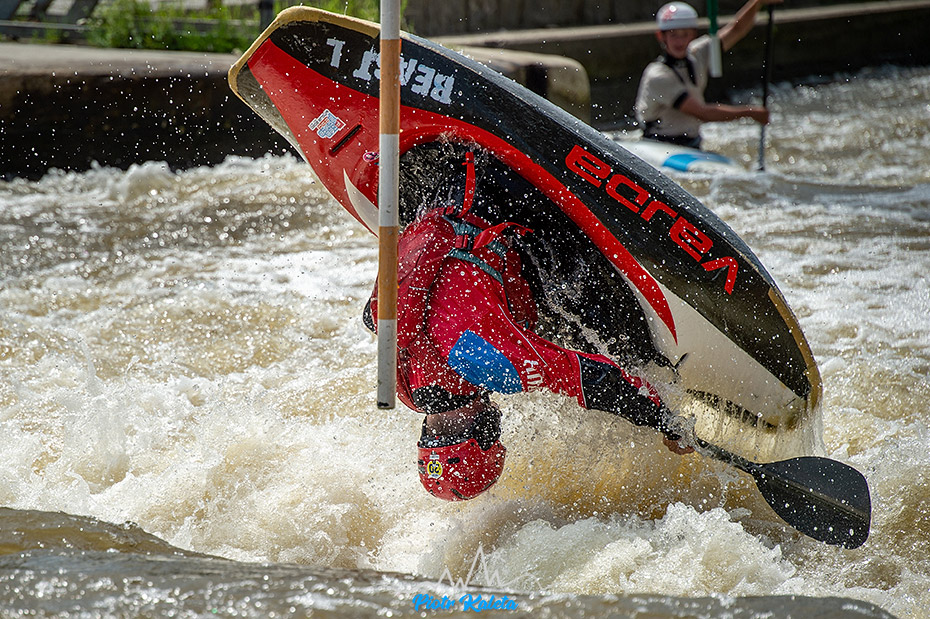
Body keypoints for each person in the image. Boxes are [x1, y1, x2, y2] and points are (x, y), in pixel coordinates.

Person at [364, 150, 692, 502]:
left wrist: (666, 421)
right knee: (539, 326)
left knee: (603, 329)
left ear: (486, 432)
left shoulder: (486, 365)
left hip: (492, 190)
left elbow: (594, 380)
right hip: (439, 197)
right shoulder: (403, 386)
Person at [635, 0, 781, 149]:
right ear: (661, 36)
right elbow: (702, 113)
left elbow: (736, 29)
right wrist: (749, 112)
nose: (679, 41)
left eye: (685, 34)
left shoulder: (697, 53)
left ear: (693, 34)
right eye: (673, 35)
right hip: (659, 144)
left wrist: (757, 3)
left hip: (691, 143)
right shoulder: (657, 76)